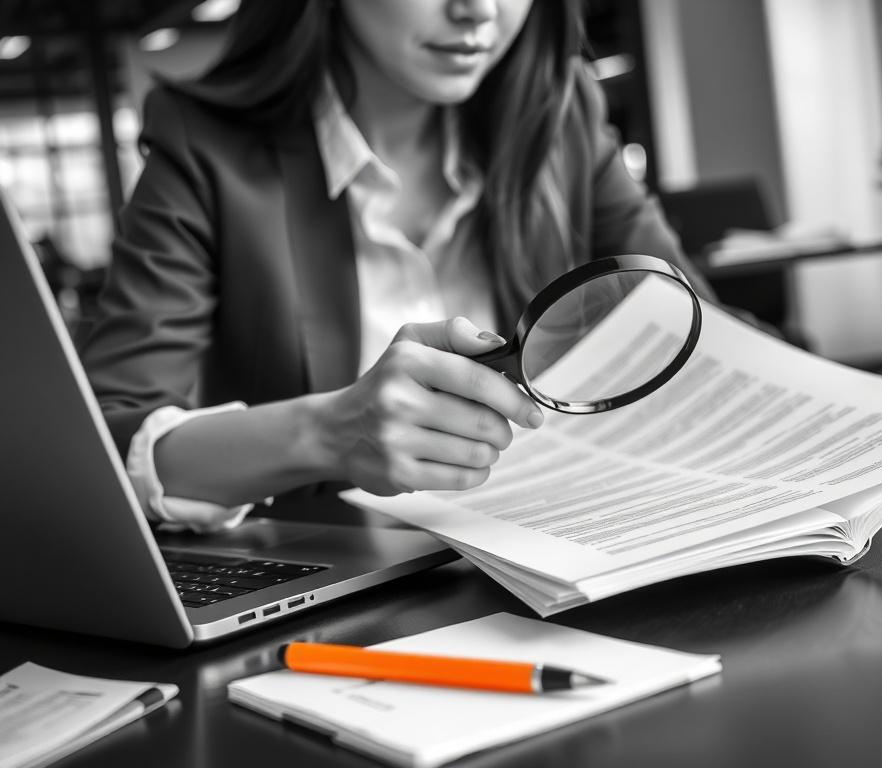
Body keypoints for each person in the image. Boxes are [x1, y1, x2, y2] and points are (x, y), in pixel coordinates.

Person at [81, 0, 715, 532]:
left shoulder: (560, 113)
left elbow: (699, 326)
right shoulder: (205, 146)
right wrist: (326, 433)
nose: (479, 11)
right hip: (335, 607)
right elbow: (96, 449)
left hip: (568, 557)